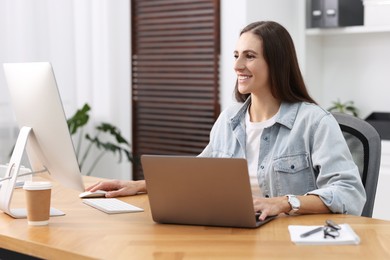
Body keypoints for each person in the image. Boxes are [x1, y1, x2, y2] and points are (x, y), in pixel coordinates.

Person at [86, 21, 366, 221]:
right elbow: (200, 175)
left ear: (276, 63)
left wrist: (284, 203)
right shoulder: (229, 119)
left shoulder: (314, 122)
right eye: (236, 56)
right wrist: (141, 185)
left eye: (250, 56)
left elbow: (349, 193)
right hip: (234, 232)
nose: (237, 66)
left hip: (287, 242)